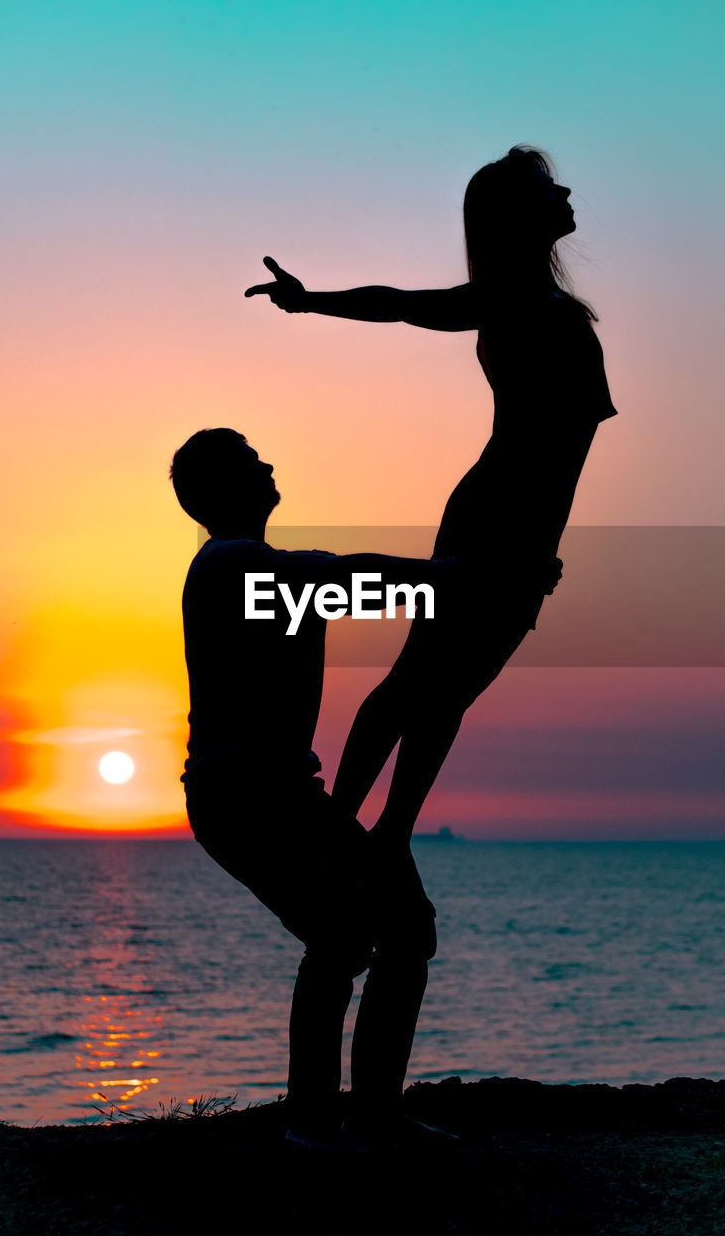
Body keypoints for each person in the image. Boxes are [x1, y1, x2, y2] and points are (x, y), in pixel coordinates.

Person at [245, 144, 617, 855]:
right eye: (545, 188)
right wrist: (308, 299)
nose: (564, 192)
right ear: (512, 216)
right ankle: (339, 826)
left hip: (521, 528)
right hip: (493, 518)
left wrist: (543, 546)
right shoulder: (507, 297)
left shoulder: (555, 307)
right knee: (417, 681)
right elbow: (403, 306)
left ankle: (388, 835)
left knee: (449, 692)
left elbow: (567, 461)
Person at [171, 428, 534, 1146]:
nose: (269, 462)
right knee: (343, 936)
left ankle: (370, 1112)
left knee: (399, 928)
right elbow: (351, 576)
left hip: (279, 793)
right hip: (241, 797)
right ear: (220, 489)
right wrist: (465, 573)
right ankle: (313, 1121)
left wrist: (484, 581)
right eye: (250, 460)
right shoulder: (232, 564)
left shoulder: (262, 576)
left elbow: (370, 591)